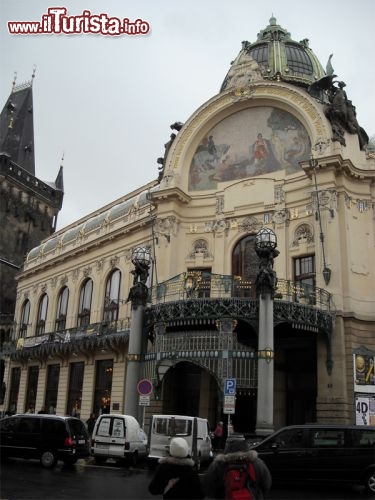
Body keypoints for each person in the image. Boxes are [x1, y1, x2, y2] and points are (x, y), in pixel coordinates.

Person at [202, 433, 272, 499]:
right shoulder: (257, 463)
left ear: (227, 446)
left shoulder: (218, 464)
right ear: (245, 445)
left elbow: (208, 487)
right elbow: (266, 484)